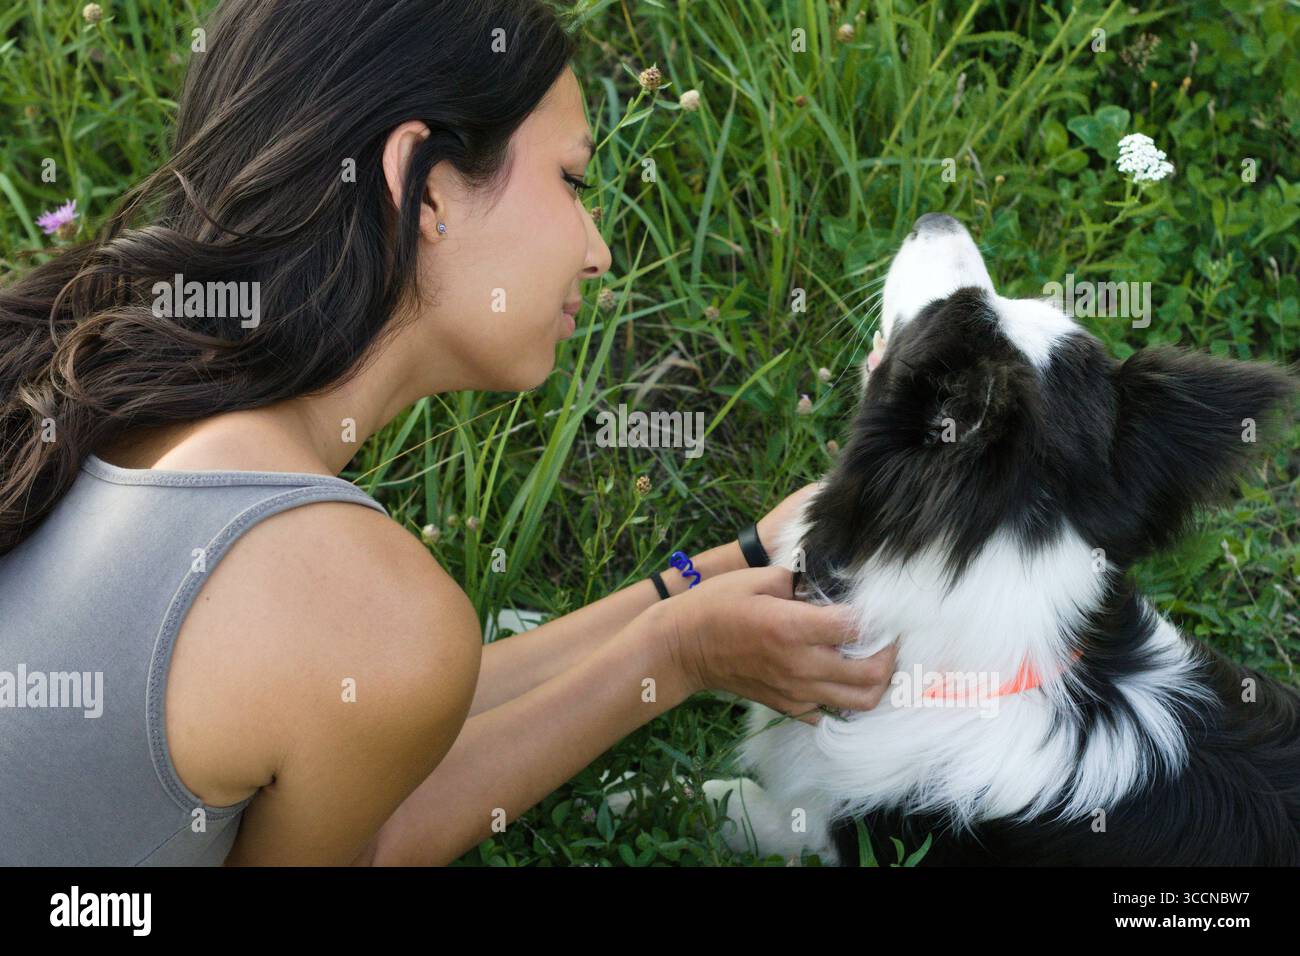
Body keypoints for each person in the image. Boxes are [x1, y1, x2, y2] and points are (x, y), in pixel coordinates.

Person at [0, 0, 897, 866]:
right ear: (425, 187)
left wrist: (716, 570)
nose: (600, 250)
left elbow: (397, 707)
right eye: (572, 180)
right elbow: (372, 840)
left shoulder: (109, 401)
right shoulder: (361, 606)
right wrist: (677, 656)